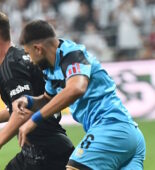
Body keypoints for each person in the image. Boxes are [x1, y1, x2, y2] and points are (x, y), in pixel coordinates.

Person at [14, 20, 146, 169]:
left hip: (111, 127)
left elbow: (76, 89)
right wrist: (29, 101)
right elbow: (48, 100)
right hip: (126, 133)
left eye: (28, 53)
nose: (30, 60)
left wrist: (34, 120)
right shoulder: (50, 69)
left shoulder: (72, 54)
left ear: (38, 49)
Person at [0, 9, 74, 169]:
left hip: (46, 154)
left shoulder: (10, 66)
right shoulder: (21, 56)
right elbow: (28, 103)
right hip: (41, 150)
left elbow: (23, 111)